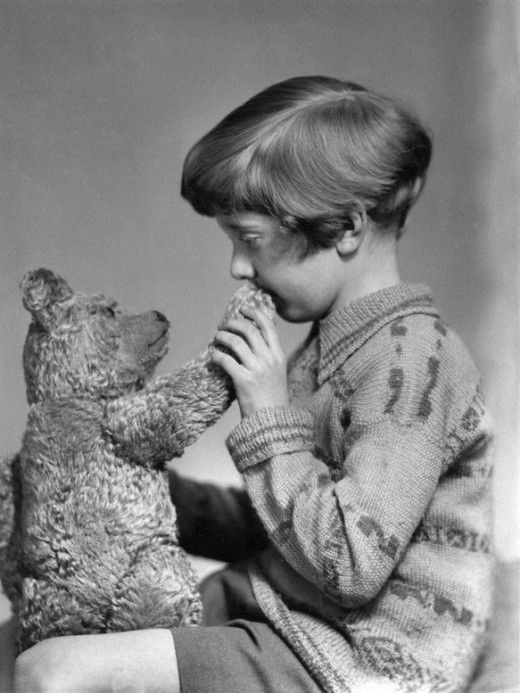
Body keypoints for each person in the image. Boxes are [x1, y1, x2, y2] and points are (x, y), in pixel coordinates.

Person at [14, 76, 493, 692]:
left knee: (51, 672)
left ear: (346, 227)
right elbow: (282, 522)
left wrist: (268, 417)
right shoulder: (336, 343)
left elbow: (350, 562)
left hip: (358, 658)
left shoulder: (420, 365)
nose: (237, 266)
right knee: (28, 643)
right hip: (284, 609)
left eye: (248, 238)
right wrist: (137, 487)